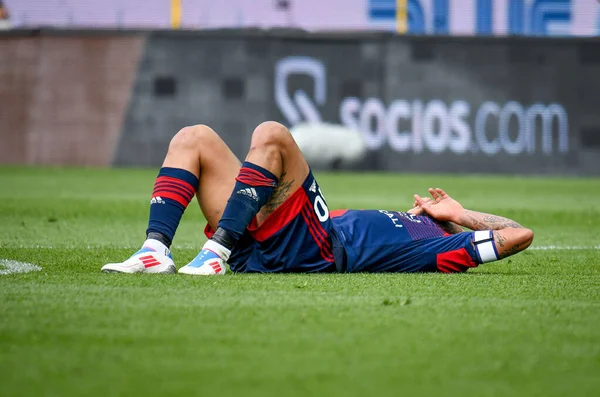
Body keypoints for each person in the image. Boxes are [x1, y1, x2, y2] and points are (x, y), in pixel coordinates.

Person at [101, 122, 534, 275]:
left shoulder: (438, 248)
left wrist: (459, 214)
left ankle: (215, 251)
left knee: (272, 134)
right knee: (192, 137)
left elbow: (519, 235)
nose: (425, 204)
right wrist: (430, 212)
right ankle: (155, 249)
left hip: (315, 248)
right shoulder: (406, 218)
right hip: (265, 241)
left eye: (436, 209)